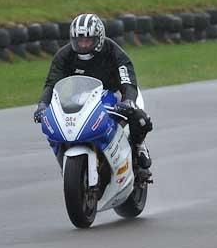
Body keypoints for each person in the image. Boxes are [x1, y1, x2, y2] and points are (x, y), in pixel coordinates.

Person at [33, 13, 153, 170]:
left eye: (87, 40)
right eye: (79, 40)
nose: (83, 45)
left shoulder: (114, 52)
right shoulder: (64, 55)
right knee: (52, 124)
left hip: (117, 95)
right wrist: (43, 104)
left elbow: (127, 80)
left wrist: (128, 101)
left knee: (140, 118)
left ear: (99, 38)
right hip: (82, 97)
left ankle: (139, 146)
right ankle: (64, 158)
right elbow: (51, 84)